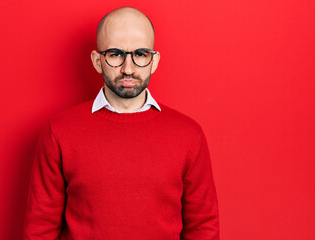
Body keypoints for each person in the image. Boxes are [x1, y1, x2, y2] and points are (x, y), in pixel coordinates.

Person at [23, 6, 219, 240]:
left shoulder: (188, 135)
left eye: (140, 54)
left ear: (154, 61)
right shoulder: (59, 132)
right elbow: (40, 228)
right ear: (97, 61)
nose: (128, 68)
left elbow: (204, 227)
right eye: (115, 54)